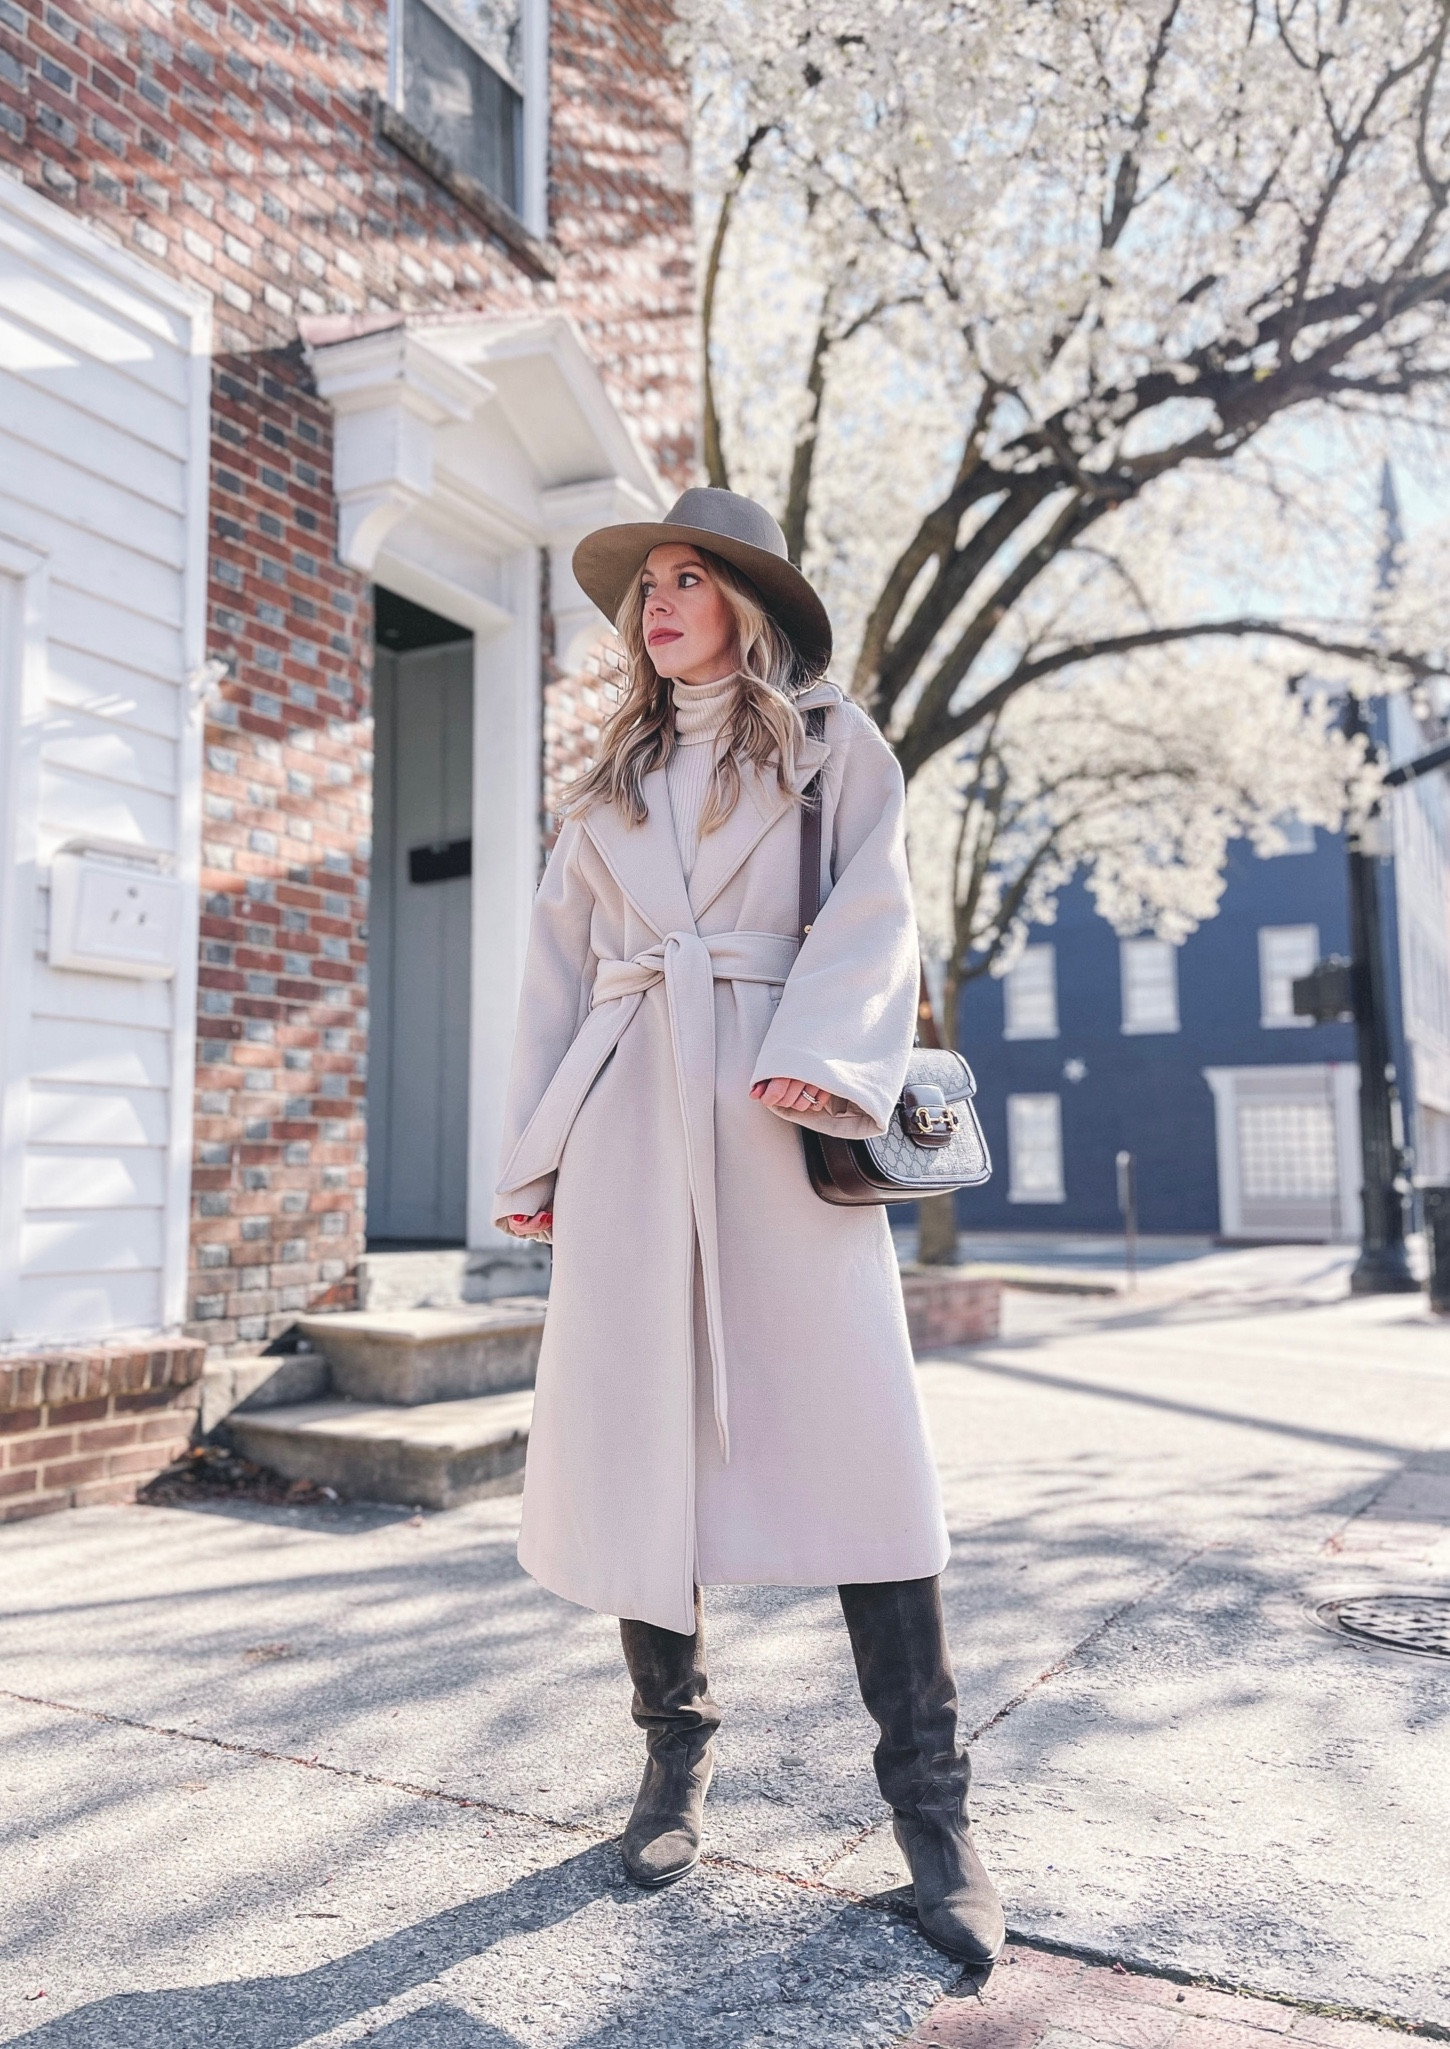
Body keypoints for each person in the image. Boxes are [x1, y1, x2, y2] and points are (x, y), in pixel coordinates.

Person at [493, 487, 1004, 1969]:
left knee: (861, 1445)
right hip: (629, 1126)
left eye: (684, 579)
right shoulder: (603, 790)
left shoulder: (835, 745)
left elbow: (877, 907)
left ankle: (932, 1805)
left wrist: (825, 1051)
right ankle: (672, 1755)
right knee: (633, 1432)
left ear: (747, 601)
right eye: (642, 583)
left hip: (785, 1123)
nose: (654, 604)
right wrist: (533, 1154)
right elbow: (552, 975)